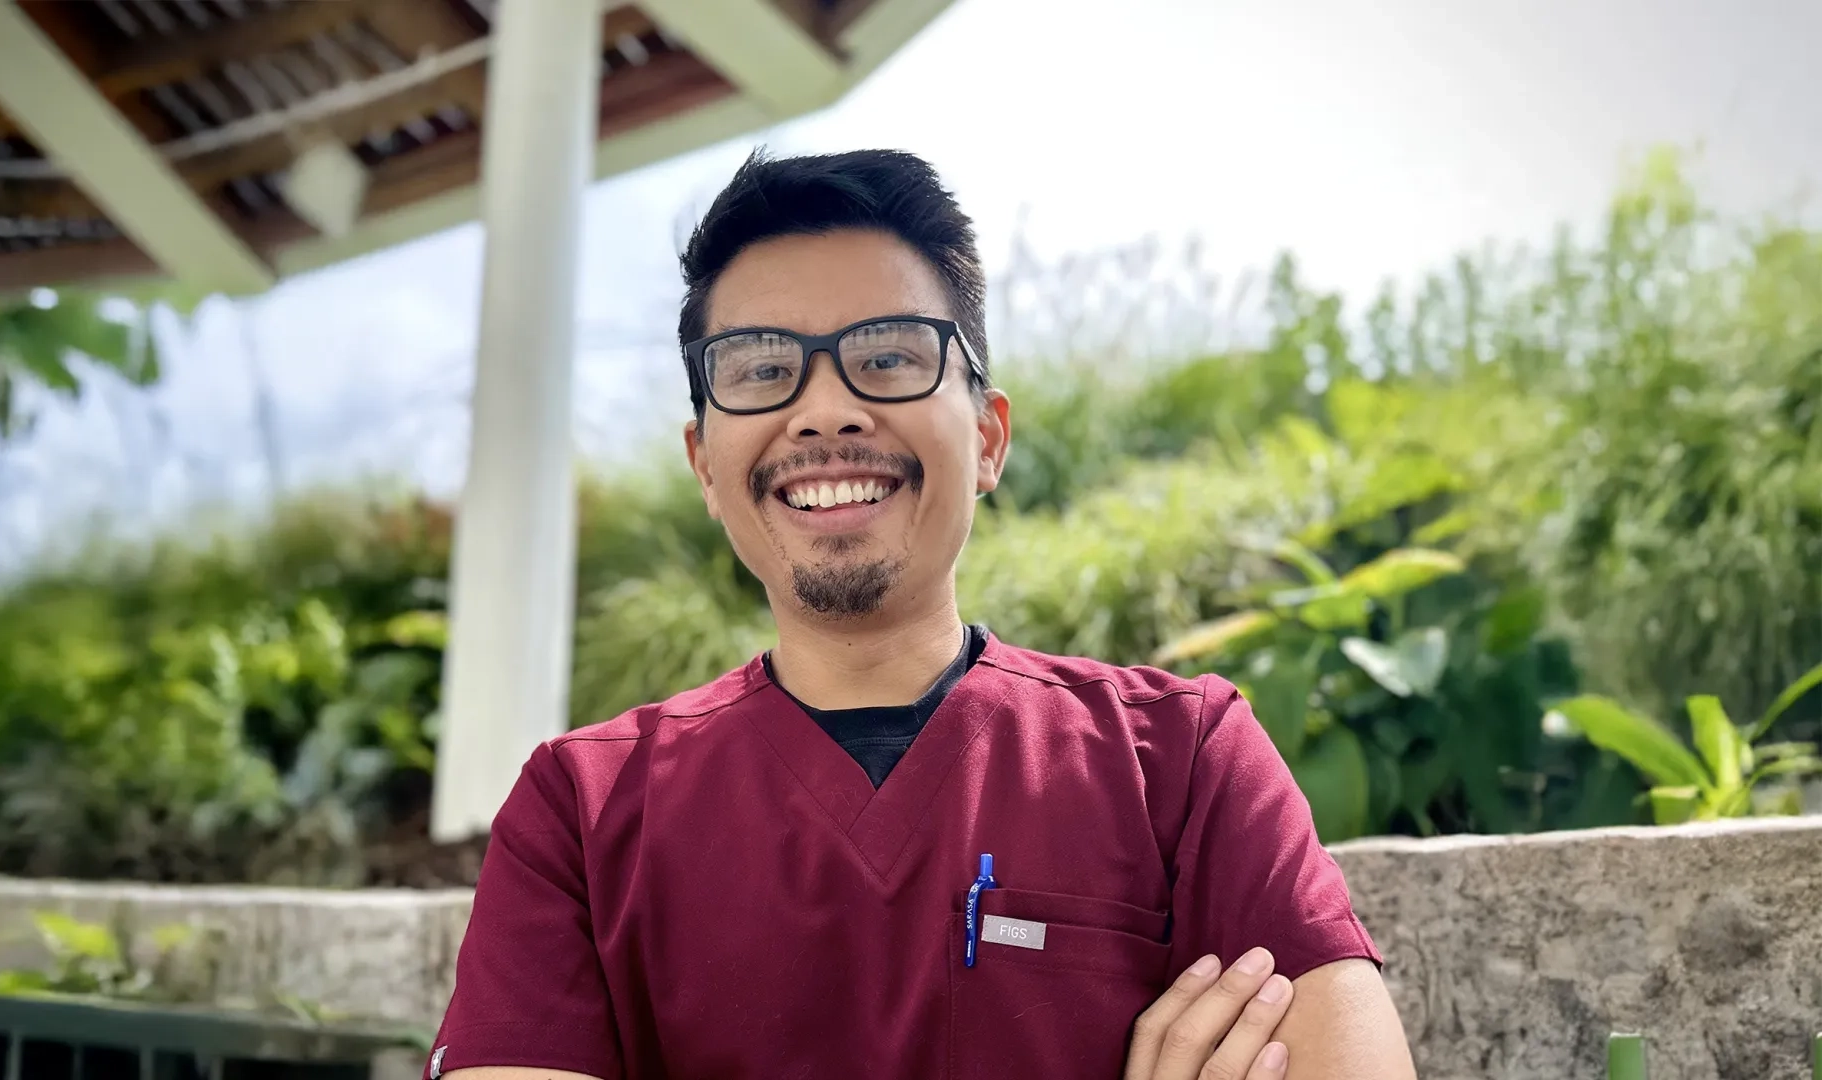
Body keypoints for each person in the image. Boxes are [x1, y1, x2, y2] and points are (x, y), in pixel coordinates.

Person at [429, 149, 1415, 1080]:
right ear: (706, 468)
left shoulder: (1185, 761)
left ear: (987, 438)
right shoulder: (581, 814)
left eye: (889, 357)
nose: (825, 411)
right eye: (762, 369)